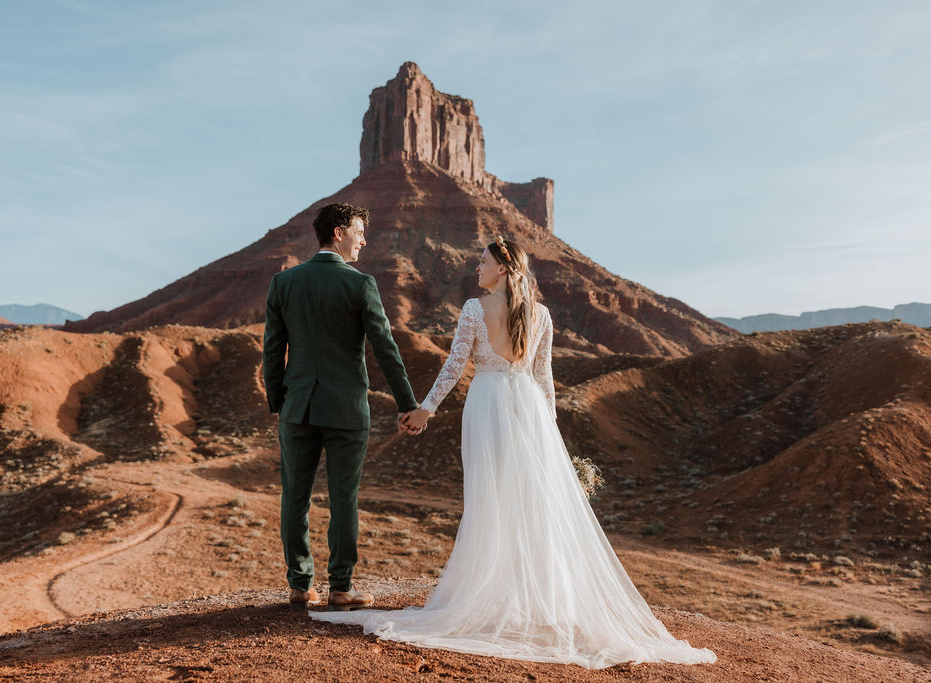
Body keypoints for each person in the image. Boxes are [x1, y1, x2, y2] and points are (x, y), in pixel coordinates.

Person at [311, 236, 717, 669]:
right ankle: (528, 600)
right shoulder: (541, 315)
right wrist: (551, 430)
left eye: (482, 261)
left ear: (503, 268)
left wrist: (425, 409)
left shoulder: (474, 309)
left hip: (487, 405)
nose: (476, 267)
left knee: (490, 501)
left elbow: (454, 367)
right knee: (529, 503)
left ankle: (492, 598)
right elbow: (544, 379)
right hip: (528, 409)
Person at [263, 202, 422, 612]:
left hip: (298, 408)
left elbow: (272, 350)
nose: (363, 240)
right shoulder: (360, 284)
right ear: (338, 232)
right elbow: (385, 348)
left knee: (294, 497)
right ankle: (341, 587)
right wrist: (408, 404)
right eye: (359, 231)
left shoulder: (284, 283)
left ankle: (300, 585)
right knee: (343, 498)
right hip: (347, 411)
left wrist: (280, 402)